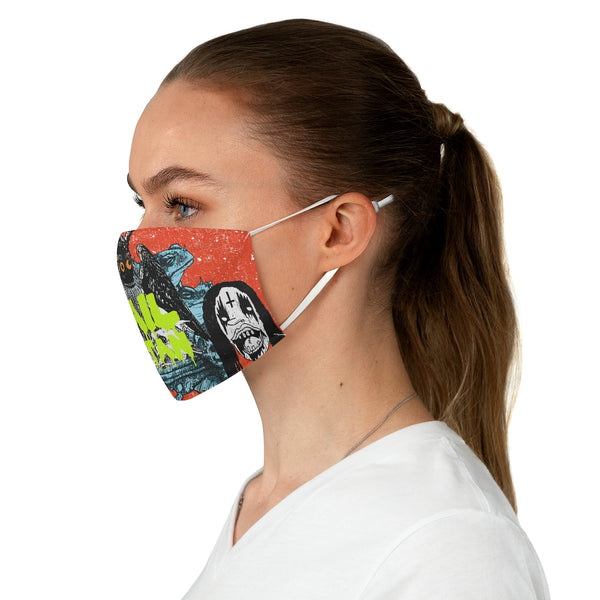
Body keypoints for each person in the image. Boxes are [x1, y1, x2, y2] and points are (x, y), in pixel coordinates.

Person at [119, 19, 550, 599]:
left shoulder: (445, 544)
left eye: (182, 204)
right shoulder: (270, 501)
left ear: (338, 231)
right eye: (141, 202)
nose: (140, 245)